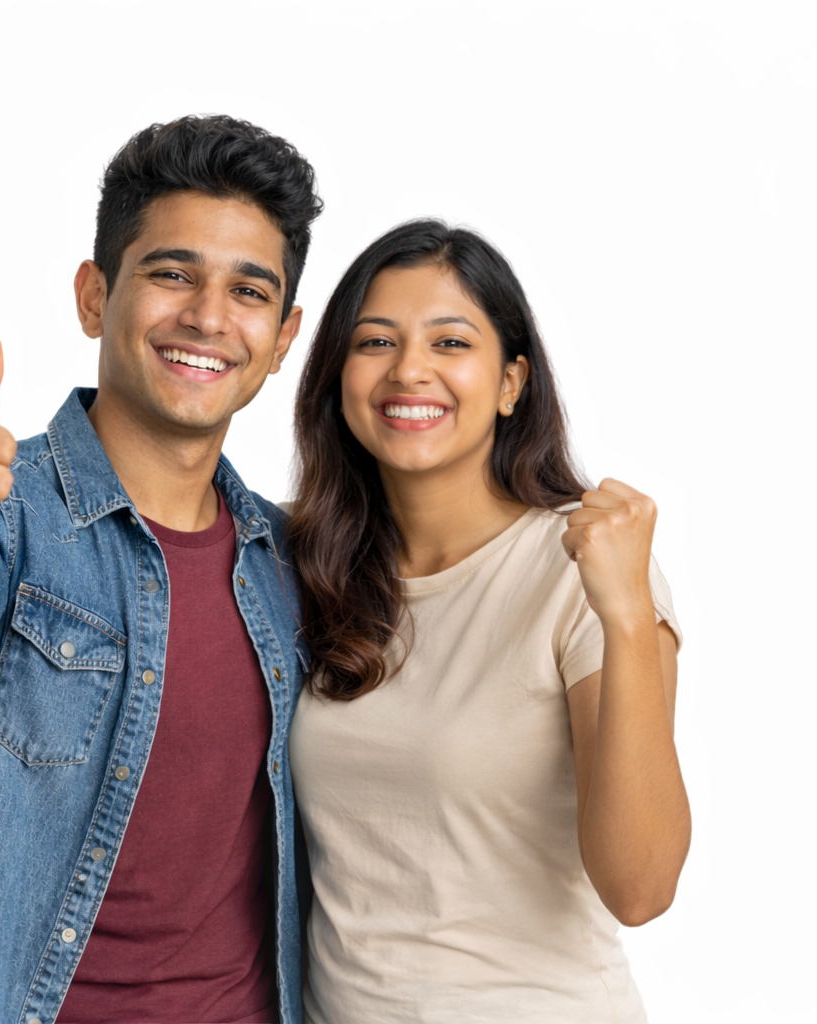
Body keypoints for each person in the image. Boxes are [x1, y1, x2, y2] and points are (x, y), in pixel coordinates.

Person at [0, 115, 321, 1024]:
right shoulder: (3, 514)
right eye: (172, 274)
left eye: (248, 291)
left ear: (282, 339)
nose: (208, 317)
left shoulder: (292, 565)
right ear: (94, 296)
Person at [286, 220, 691, 1023]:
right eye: (376, 341)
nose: (409, 369)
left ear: (511, 383)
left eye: (450, 342)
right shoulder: (307, 567)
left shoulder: (581, 569)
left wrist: (625, 615)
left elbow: (641, 888)